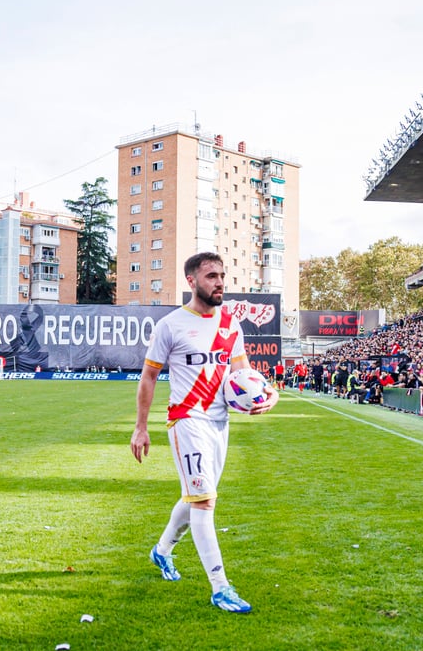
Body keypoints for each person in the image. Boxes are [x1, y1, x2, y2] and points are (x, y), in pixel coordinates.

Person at [130, 252, 278, 614]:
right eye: (211, 276)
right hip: (187, 420)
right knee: (204, 501)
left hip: (220, 422)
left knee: (197, 496)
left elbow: (243, 373)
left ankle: (161, 551)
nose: (220, 282)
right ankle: (220, 587)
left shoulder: (231, 325)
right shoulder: (171, 325)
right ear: (192, 281)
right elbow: (149, 376)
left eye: (222, 275)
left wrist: (266, 395)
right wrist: (140, 427)